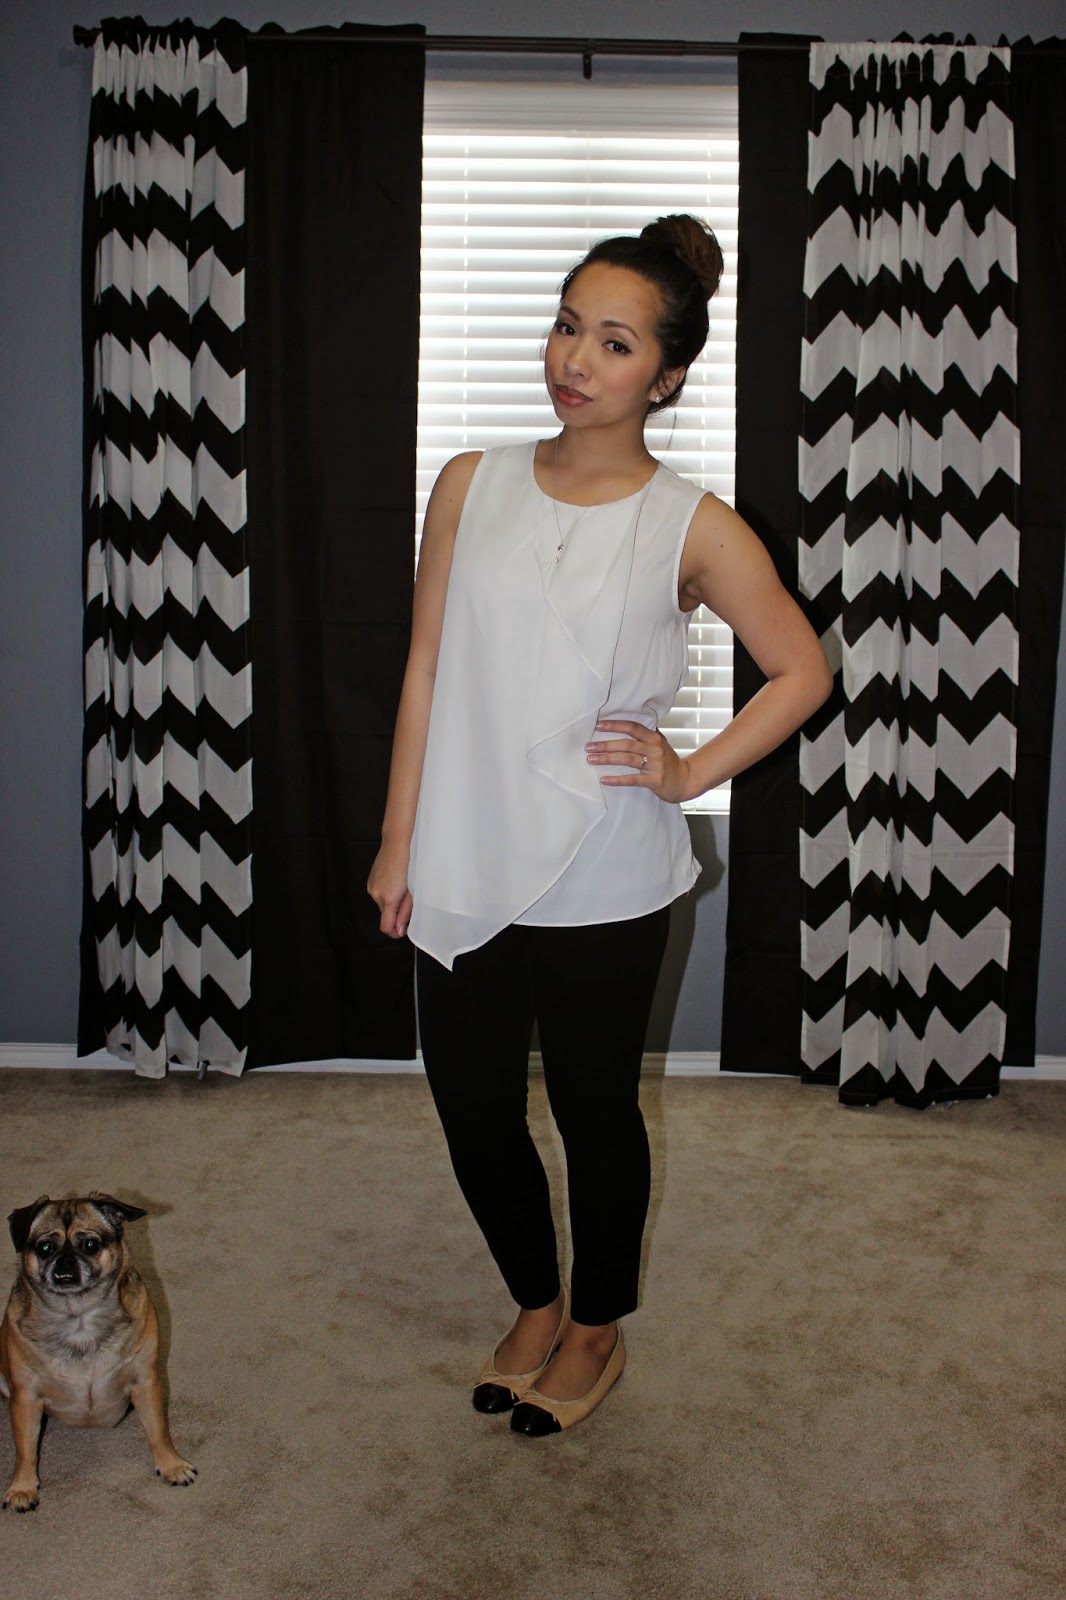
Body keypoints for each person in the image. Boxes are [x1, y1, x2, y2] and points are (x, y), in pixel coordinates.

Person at [368, 215, 832, 1438]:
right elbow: (425, 666)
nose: (575, 359)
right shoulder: (468, 483)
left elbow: (800, 670)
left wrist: (686, 772)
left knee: (593, 1112)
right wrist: (397, 837)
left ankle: (594, 1326)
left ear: (665, 377)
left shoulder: (693, 523)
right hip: (464, 845)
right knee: (472, 1102)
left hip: (604, 870)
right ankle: (535, 1296)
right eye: (567, 326)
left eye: (614, 342)